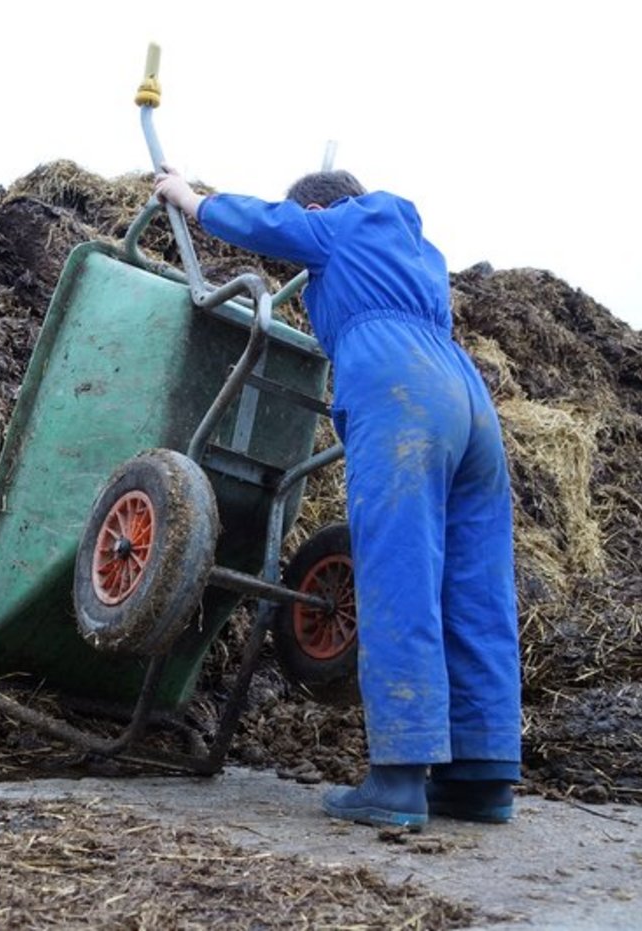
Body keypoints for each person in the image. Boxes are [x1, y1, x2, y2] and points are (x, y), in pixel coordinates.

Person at [154, 166, 522, 829]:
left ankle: (399, 780)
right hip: (466, 396)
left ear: (321, 207)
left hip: (400, 385)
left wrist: (192, 199)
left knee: (397, 567)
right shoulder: (414, 250)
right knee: (475, 586)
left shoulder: (346, 221)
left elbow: (271, 224)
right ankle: (481, 776)